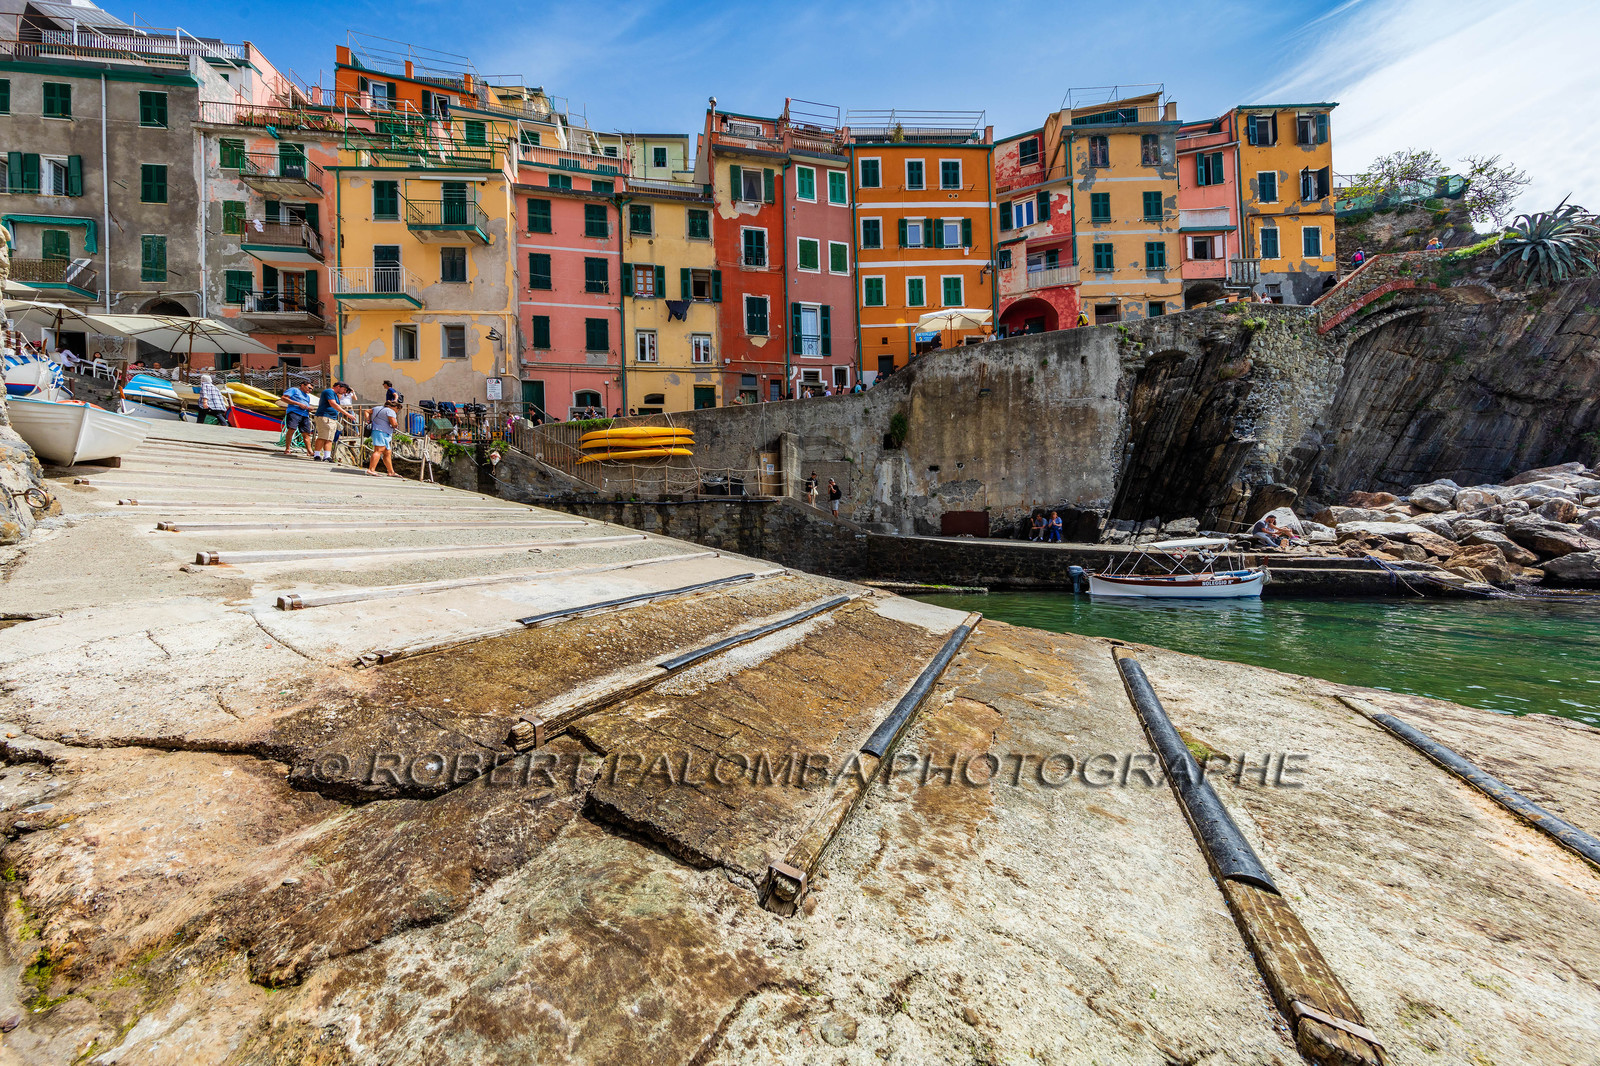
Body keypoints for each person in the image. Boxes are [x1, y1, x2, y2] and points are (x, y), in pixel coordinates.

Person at [312, 381, 354, 463]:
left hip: (332, 418)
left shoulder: (335, 394)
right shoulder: (329, 392)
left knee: (330, 438)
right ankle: (317, 455)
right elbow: (332, 403)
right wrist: (346, 414)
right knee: (323, 436)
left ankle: (327, 456)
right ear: (338, 386)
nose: (344, 391)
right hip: (325, 416)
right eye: (344, 389)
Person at [280, 382, 315, 458]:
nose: (310, 390)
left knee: (306, 433)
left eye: (311, 389)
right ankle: (287, 448)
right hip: (294, 412)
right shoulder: (294, 390)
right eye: (309, 388)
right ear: (302, 385)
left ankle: (309, 451)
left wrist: (309, 408)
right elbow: (284, 398)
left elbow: (306, 405)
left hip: (305, 415)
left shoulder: (307, 397)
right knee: (291, 429)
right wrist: (299, 404)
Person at [366, 400, 399, 477]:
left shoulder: (377, 408)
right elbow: (394, 424)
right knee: (378, 450)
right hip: (382, 432)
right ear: (395, 407)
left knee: (387, 452)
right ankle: (371, 470)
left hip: (377, 431)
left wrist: (368, 420)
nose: (397, 411)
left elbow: (367, 411)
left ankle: (391, 471)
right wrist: (396, 425)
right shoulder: (390, 411)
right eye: (398, 409)